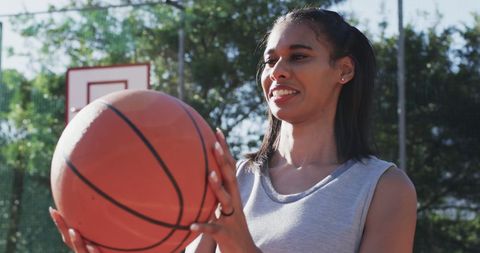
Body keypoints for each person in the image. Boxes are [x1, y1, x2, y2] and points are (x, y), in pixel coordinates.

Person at [50, 7, 417, 253]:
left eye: (299, 56)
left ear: (345, 70)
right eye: (270, 60)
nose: (277, 71)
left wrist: (243, 247)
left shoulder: (383, 189)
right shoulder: (227, 179)